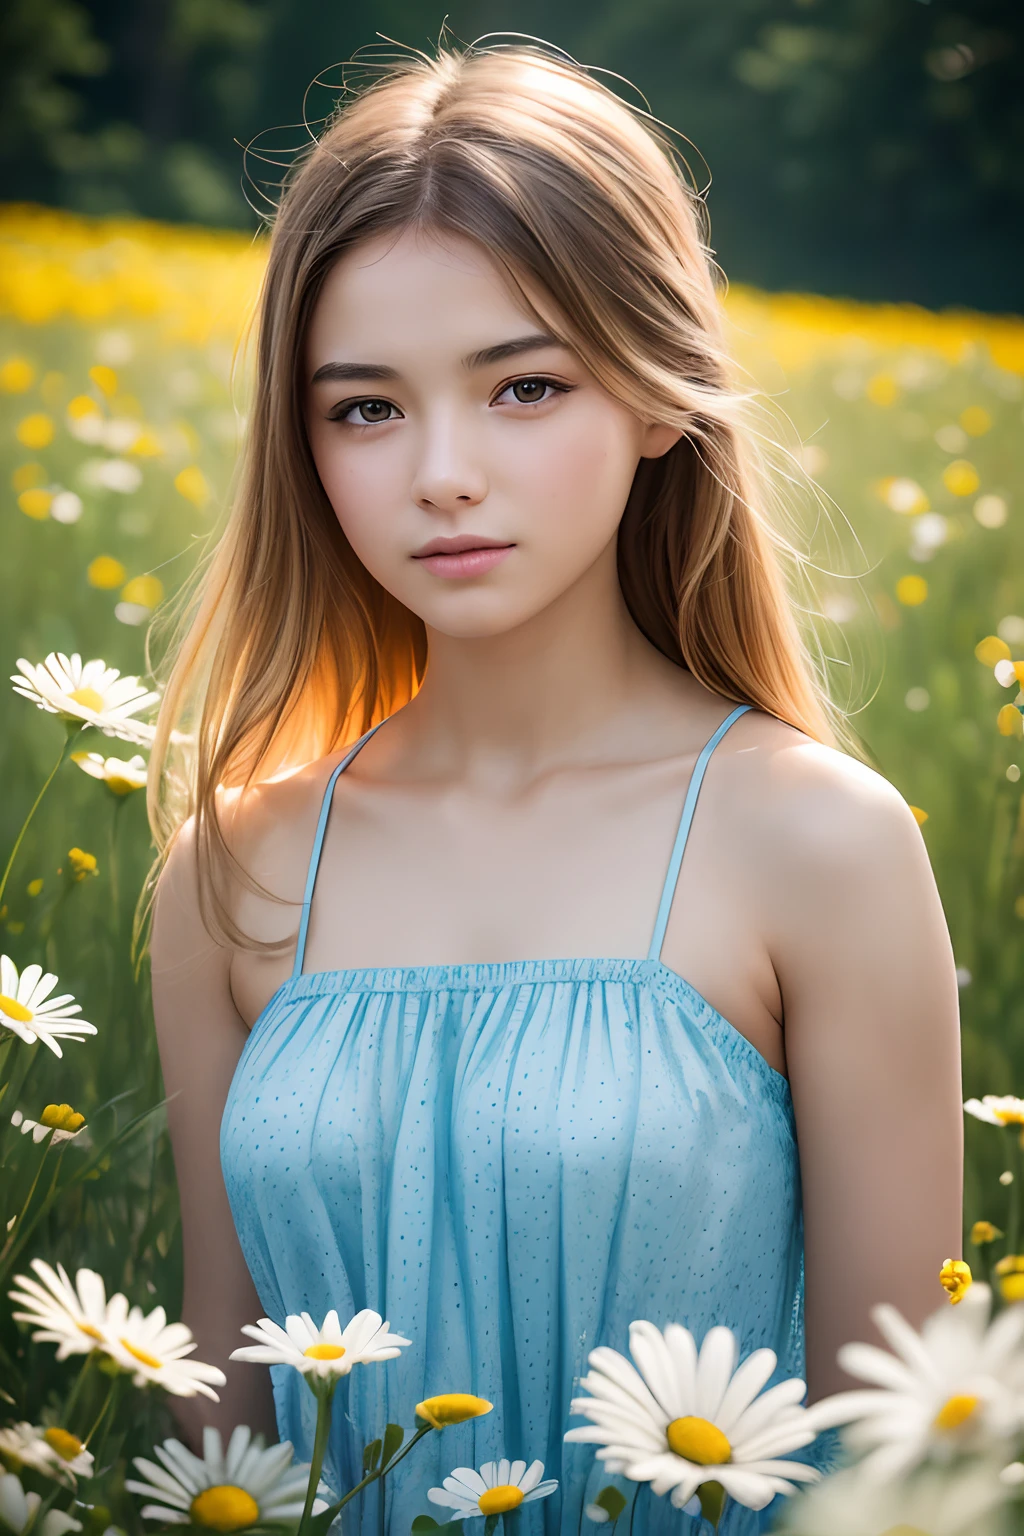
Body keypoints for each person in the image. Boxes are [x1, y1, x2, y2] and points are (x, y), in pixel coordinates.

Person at [146, 39, 964, 1536]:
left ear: (661, 396)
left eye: (524, 385)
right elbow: (222, 1431)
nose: (443, 472)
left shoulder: (819, 844)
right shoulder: (234, 873)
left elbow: (899, 1471)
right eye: (367, 409)